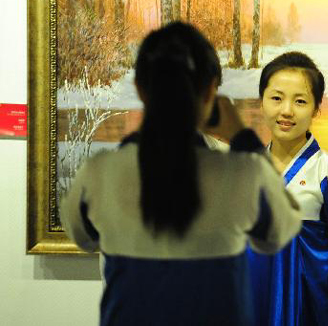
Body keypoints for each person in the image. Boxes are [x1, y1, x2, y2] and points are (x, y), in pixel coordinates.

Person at [60, 21, 302, 326]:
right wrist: (243, 137)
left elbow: (83, 237)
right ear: (212, 91)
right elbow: (281, 229)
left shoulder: (100, 173)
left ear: (139, 88)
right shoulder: (242, 174)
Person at [247, 52, 328, 325]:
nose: (286, 110)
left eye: (300, 101)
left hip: (312, 309)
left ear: (316, 108)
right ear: (262, 101)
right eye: (276, 98)